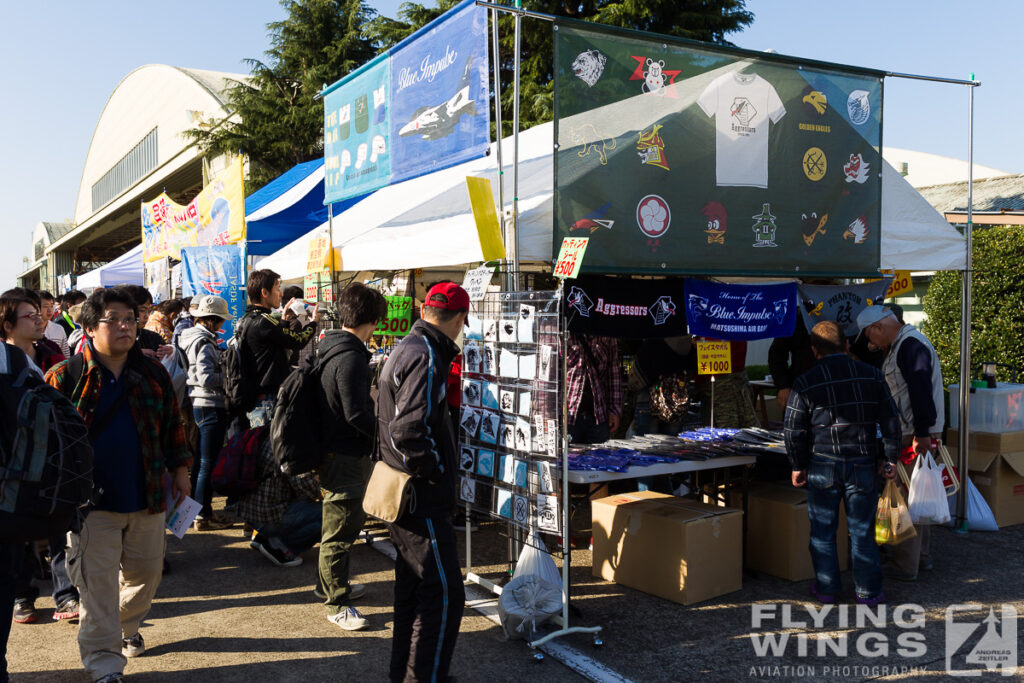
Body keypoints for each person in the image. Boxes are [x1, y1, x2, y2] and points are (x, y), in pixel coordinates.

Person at [46, 288, 192, 683]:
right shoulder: (64, 376)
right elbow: (46, 443)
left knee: (146, 578)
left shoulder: (152, 372)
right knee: (97, 591)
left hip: (146, 497)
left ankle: (124, 628)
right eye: (115, 319)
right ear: (90, 328)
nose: (126, 326)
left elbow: (173, 424)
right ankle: (104, 664)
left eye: (130, 318)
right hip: (90, 507)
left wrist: (182, 471)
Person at [378, 282, 468, 682]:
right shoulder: (427, 353)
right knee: (445, 595)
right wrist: (434, 472)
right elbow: (410, 430)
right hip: (419, 497)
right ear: (461, 319)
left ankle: (408, 674)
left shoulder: (407, 346)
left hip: (402, 494)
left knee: (415, 595)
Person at [784, 321, 901, 606]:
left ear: (814, 350)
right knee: (862, 530)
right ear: (847, 344)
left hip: (822, 464)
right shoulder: (872, 375)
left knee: (823, 530)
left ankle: (827, 590)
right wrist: (890, 457)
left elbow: (793, 429)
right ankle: (868, 593)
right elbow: (890, 421)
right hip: (862, 463)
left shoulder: (805, 381)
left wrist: (797, 464)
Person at [0, 292, 81, 625]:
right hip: (14, 468)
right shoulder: (8, 361)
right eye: (29, 315)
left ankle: (65, 594)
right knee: (15, 541)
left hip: (47, 462)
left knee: (55, 527)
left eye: (39, 313)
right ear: (6, 325)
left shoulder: (51, 354)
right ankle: (24, 597)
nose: (39, 319)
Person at [316, 283, 387, 632]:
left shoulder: (329, 346)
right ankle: (337, 601)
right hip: (344, 453)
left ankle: (329, 584)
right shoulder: (351, 357)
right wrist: (384, 434)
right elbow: (355, 413)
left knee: (339, 524)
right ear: (372, 320)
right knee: (341, 529)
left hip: (333, 450)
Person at [856, 306, 944, 582]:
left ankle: (905, 563)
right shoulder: (908, 342)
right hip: (918, 430)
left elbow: (920, 392)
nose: (871, 343)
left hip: (913, 433)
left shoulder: (909, 346)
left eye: (871, 335)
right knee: (919, 495)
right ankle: (922, 557)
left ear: (879, 327)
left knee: (904, 498)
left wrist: (922, 432)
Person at [178, 295, 234, 531]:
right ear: (212, 320)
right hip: (209, 402)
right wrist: (229, 377)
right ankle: (202, 515)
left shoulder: (191, 337)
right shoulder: (202, 341)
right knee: (206, 462)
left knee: (202, 461)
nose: (222, 326)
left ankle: (198, 513)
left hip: (199, 403)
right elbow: (206, 377)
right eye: (220, 321)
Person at [238, 269, 319, 425]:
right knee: (270, 444)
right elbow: (297, 341)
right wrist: (313, 323)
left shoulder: (246, 319)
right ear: (264, 292)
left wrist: (284, 320)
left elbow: (274, 342)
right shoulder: (264, 322)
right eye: (277, 289)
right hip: (267, 397)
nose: (281, 294)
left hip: (254, 394)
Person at [238, 438, 323, 568]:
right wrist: (319, 479)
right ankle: (282, 547)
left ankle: (265, 537)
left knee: (299, 499)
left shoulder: (268, 432)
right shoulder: (292, 445)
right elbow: (308, 488)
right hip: (269, 515)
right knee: (332, 514)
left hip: (249, 511)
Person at [567, 333, 622, 443]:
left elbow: (613, 373)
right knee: (567, 458)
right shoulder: (565, 332)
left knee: (599, 458)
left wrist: (615, 410)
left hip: (598, 416)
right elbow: (553, 372)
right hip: (568, 414)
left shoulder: (607, 335)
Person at [768, 316, 815, 411]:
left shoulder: (848, 316)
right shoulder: (796, 318)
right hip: (802, 389)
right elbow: (776, 354)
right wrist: (783, 386)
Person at [37, 290, 70, 358]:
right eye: (45, 306)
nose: (49, 310)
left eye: (51, 306)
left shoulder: (59, 329)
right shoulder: (28, 330)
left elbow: (66, 356)